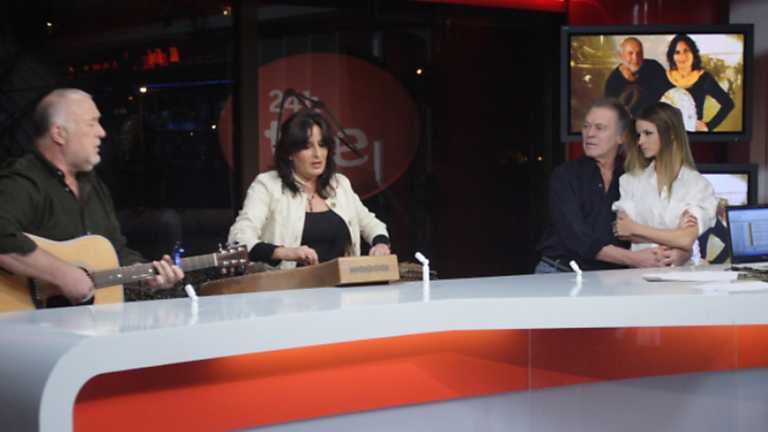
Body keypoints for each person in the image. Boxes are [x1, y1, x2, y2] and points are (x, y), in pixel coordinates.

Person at [0, 88, 184, 306]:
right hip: (27, 322)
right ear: (59, 133)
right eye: (91, 123)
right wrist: (60, 274)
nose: (102, 132)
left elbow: (115, 251)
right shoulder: (23, 181)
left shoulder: (93, 185)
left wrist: (144, 275)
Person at [536, 98, 689, 273]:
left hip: (612, 277)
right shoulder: (565, 175)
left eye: (599, 128)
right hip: (560, 272)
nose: (589, 133)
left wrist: (680, 253)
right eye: (586, 126)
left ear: (621, 137)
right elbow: (577, 238)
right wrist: (635, 259)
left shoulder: (636, 177)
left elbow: (662, 225)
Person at [228, 109, 390, 270]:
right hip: (287, 284)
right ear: (290, 152)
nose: (317, 154)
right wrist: (285, 252)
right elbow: (238, 239)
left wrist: (381, 244)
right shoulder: (267, 185)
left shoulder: (340, 184)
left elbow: (371, 224)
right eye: (307, 146)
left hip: (343, 283)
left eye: (322, 145)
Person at [612, 102, 718, 259]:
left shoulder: (698, 185)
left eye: (648, 133)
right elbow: (623, 231)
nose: (640, 141)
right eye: (639, 135)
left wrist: (635, 228)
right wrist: (676, 237)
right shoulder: (629, 181)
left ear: (671, 134)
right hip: (639, 271)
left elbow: (686, 239)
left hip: (682, 273)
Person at [665, 34, 734, 132]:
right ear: (672, 56)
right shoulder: (664, 77)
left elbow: (728, 104)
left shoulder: (704, 78)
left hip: (694, 136)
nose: (682, 56)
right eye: (677, 52)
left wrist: (709, 126)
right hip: (668, 135)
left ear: (693, 53)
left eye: (686, 51)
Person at [604, 37, 671, 116]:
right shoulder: (613, 80)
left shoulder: (654, 67)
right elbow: (612, 113)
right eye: (630, 53)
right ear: (621, 56)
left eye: (639, 53)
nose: (635, 58)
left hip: (658, 117)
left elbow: (670, 95)